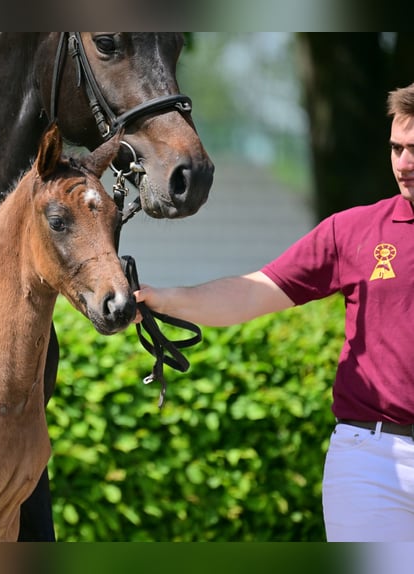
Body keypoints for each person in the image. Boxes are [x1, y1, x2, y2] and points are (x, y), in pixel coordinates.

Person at [135, 82, 414, 542]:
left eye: (413, 150)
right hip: (371, 461)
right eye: (396, 148)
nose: (403, 164)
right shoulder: (354, 231)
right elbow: (254, 292)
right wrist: (165, 298)